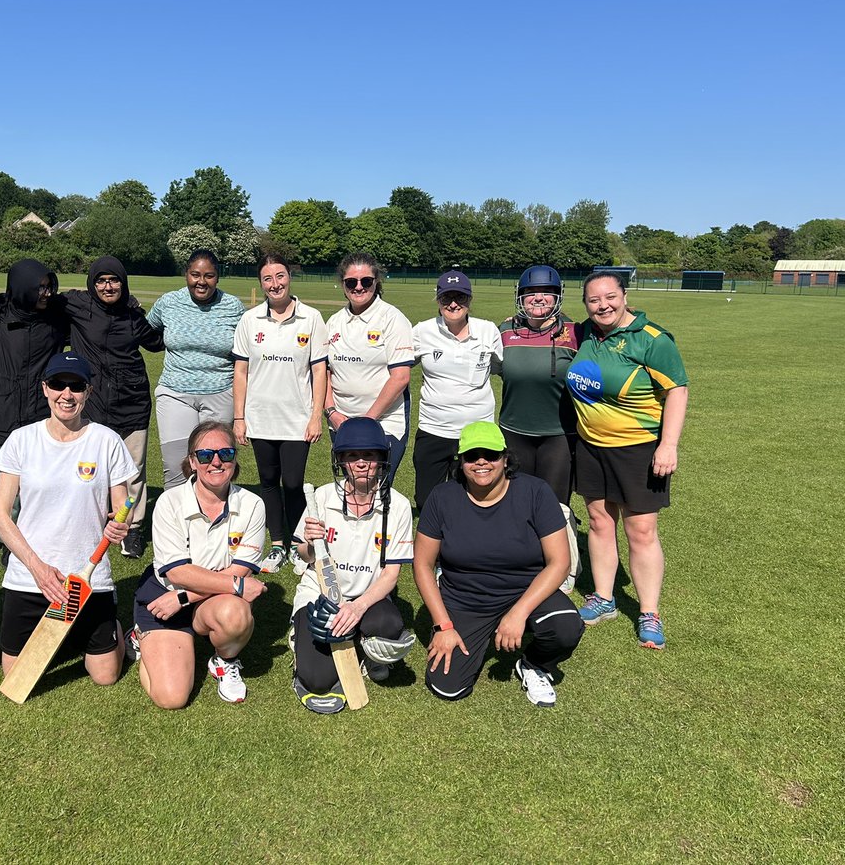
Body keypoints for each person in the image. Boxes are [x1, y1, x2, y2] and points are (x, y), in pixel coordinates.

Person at [0, 352, 136, 691]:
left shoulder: (106, 441)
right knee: (16, 676)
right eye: (58, 384)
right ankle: (63, 627)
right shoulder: (22, 439)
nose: (66, 394)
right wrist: (38, 568)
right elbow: (0, 515)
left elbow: (120, 507)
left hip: (86, 577)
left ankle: (109, 624)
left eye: (76, 386)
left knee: (105, 676)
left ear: (88, 391)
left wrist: (119, 524)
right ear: (45, 389)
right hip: (31, 577)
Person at [414, 421, 585, 707]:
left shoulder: (535, 492)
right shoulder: (442, 497)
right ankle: (478, 631)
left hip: (525, 590)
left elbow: (559, 562)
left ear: (506, 458)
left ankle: (534, 663)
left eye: (491, 454)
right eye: (471, 456)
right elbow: (422, 564)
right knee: (447, 687)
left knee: (564, 626)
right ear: (461, 461)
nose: (481, 462)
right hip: (466, 598)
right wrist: (443, 626)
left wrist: (518, 612)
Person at [566, 272, 689, 650]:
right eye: (593, 299)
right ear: (585, 303)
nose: (603, 305)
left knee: (641, 531)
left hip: (639, 449)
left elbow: (678, 391)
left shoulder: (652, 339)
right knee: (601, 522)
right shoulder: (584, 332)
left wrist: (668, 444)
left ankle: (649, 612)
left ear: (624, 296)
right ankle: (604, 598)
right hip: (591, 446)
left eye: (610, 297)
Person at [129, 421, 268, 708]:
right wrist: (237, 585)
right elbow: (178, 572)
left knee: (236, 613)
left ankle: (224, 661)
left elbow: (239, 570)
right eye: (205, 455)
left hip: (190, 598)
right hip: (162, 598)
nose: (216, 462)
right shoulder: (169, 502)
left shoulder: (253, 504)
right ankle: (143, 638)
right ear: (192, 462)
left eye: (225, 454)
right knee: (171, 698)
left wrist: (182, 598)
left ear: (234, 458)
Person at [289, 417, 415, 714]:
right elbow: (305, 555)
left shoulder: (397, 505)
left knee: (389, 627)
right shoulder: (320, 497)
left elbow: (391, 574)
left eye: (369, 455)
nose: (361, 463)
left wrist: (357, 608)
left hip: (368, 598)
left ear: (382, 459)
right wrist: (308, 541)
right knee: (318, 679)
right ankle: (301, 635)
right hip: (320, 595)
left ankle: (362, 641)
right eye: (352, 456)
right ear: (341, 461)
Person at [62, 256, 164, 558]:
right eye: (101, 281)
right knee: (87, 469)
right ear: (92, 284)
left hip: (131, 401)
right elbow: (41, 300)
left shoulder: (132, 316)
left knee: (132, 472)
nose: (108, 286)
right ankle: (89, 525)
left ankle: (131, 530)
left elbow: (156, 342)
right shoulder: (76, 307)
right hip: (90, 404)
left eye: (114, 280)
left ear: (123, 282)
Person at [232, 253, 328, 572]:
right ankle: (277, 545)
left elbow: (318, 372)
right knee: (269, 482)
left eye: (280, 276)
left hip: (297, 420)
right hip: (260, 418)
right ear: (261, 284)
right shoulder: (250, 320)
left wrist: (316, 416)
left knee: (293, 483)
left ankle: (301, 547)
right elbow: (241, 371)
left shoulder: (311, 318)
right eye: (268, 279)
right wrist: (240, 418)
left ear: (289, 278)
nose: (275, 284)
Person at [146, 249, 245, 490]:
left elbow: (245, 351)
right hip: (175, 393)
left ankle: (214, 522)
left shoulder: (233, 306)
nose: (202, 282)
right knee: (176, 466)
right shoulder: (169, 302)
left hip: (220, 394)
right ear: (186, 275)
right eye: (195, 275)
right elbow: (147, 331)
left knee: (215, 467)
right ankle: (176, 525)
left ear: (218, 278)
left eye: (209, 276)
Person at [411, 270, 503, 510]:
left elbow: (501, 368)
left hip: (477, 430)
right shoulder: (422, 331)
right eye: (446, 298)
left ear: (469, 300)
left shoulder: (488, 330)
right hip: (434, 428)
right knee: (426, 501)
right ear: (438, 301)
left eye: (460, 297)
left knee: (475, 498)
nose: (453, 304)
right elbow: (400, 367)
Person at [323, 253, 415, 478]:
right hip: (342, 421)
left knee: (379, 489)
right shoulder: (334, 321)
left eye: (366, 281)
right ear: (343, 284)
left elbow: (401, 377)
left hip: (385, 422)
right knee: (352, 489)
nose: (358, 287)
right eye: (351, 282)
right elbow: (324, 372)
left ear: (376, 282)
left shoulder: (392, 319)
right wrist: (331, 412)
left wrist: (366, 421)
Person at [497, 265, 582, 505]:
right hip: (514, 432)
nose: (538, 297)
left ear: (557, 296)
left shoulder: (577, 332)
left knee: (554, 504)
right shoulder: (504, 330)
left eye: (546, 291)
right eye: (530, 291)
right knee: (516, 500)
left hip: (559, 436)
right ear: (520, 296)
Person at [0, 258, 70, 459]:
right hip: (4, 416)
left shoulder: (57, 318)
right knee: (7, 488)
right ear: (22, 287)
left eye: (48, 287)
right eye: (40, 288)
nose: (46, 294)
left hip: (43, 417)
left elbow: (90, 309)